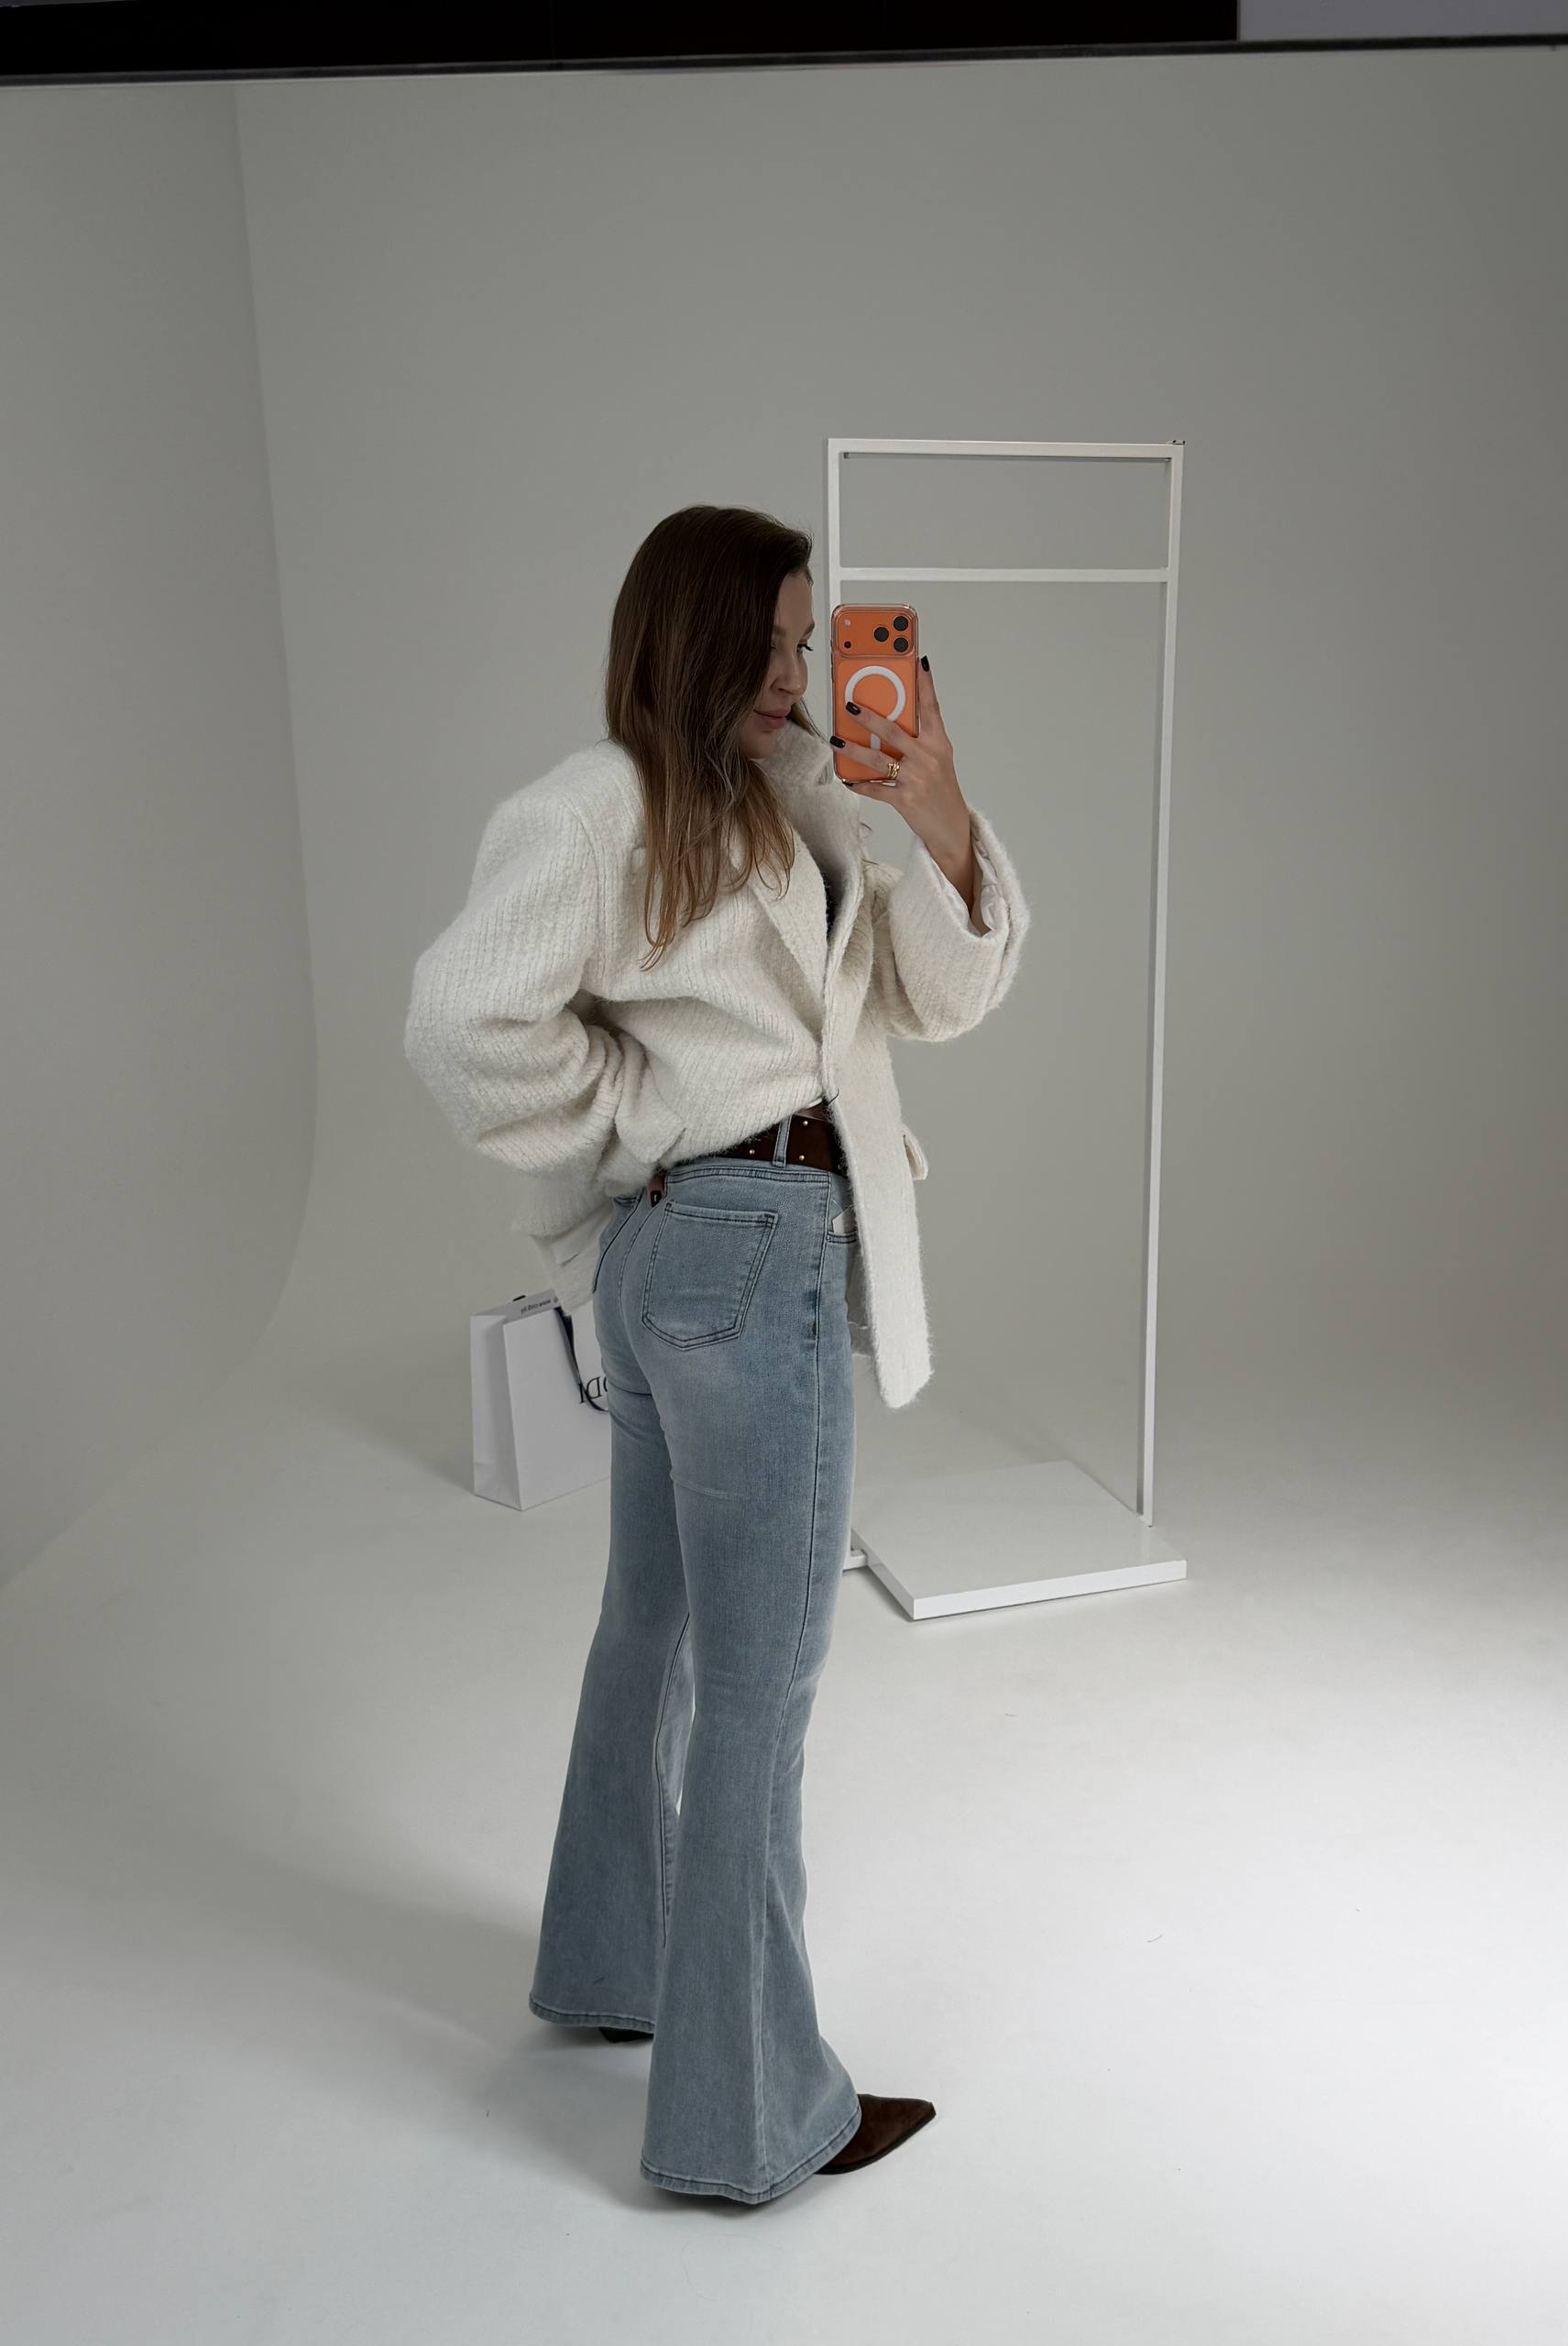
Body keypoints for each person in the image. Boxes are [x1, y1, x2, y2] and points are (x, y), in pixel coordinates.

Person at [404, 505, 1031, 2203]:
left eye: (806, 643)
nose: (792, 672)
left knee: (659, 1631)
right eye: (762, 641)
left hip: (707, 1260)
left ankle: (613, 1964)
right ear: (681, 638)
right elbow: (461, 1021)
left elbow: (936, 999)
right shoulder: (604, 803)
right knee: (759, 1686)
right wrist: (636, 1124)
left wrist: (937, 815)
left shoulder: (791, 803)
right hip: (744, 1255)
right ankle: (749, 2117)